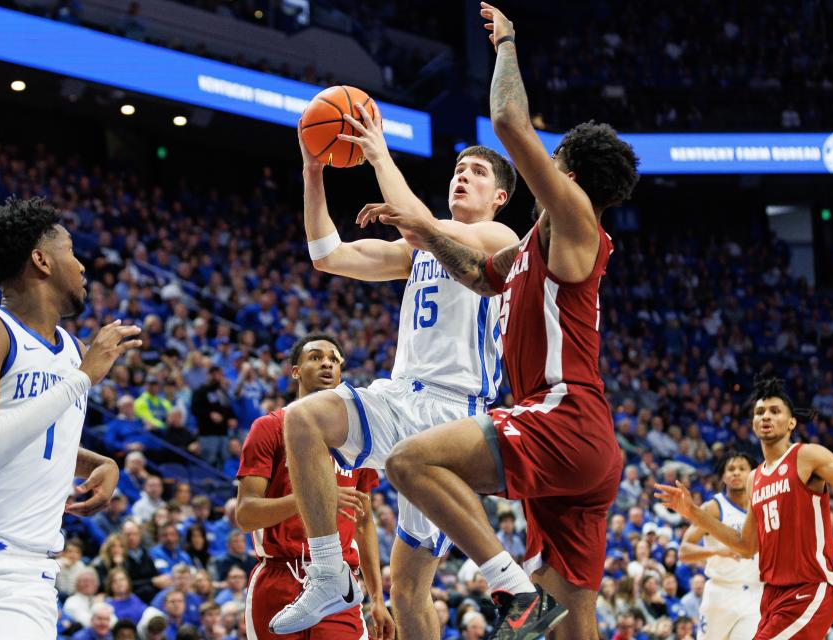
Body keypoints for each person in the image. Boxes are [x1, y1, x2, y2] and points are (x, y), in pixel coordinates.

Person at [369, 4, 640, 638]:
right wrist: (427, 234)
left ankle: (512, 591)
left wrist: (509, 43)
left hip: (561, 415)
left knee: (408, 463)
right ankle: (529, 600)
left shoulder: (574, 213)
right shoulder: (534, 248)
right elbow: (478, 272)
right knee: (574, 612)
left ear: (567, 171)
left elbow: (509, 120)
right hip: (584, 444)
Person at [269, 70, 520, 637]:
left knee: (409, 589)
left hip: (454, 415)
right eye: (458, 170)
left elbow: (429, 227)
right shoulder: (419, 251)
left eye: (477, 173)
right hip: (402, 397)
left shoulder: (503, 240)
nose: (462, 177)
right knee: (305, 417)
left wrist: (379, 153)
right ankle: (330, 572)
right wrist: (314, 170)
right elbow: (327, 254)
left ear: (498, 198)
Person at [0, 196, 141, 637]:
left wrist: (98, 462)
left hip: (26, 573)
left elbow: (40, 434)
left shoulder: (71, 350)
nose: (83, 266)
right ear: (41, 260)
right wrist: (82, 379)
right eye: (71, 250)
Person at [657, 377, 833, 640]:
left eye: (775, 411)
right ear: (753, 423)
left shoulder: (807, 456)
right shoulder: (754, 478)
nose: (765, 416)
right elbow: (745, 545)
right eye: (759, 412)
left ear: (791, 423)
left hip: (811, 588)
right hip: (772, 596)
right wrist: (693, 512)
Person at [237, 334, 393, 640]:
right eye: (316, 357)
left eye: (334, 360)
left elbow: (363, 522)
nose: (327, 363)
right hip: (280, 577)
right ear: (295, 371)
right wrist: (314, 497)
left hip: (339, 587)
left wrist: (377, 596)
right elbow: (246, 516)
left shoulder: (357, 441)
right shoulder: (268, 428)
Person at [678, 452, 761, 640]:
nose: (736, 473)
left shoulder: (762, 505)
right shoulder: (713, 507)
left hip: (755, 594)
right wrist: (716, 551)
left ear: (752, 474)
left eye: (742, 469)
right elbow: (684, 551)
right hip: (720, 593)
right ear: (723, 476)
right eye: (731, 469)